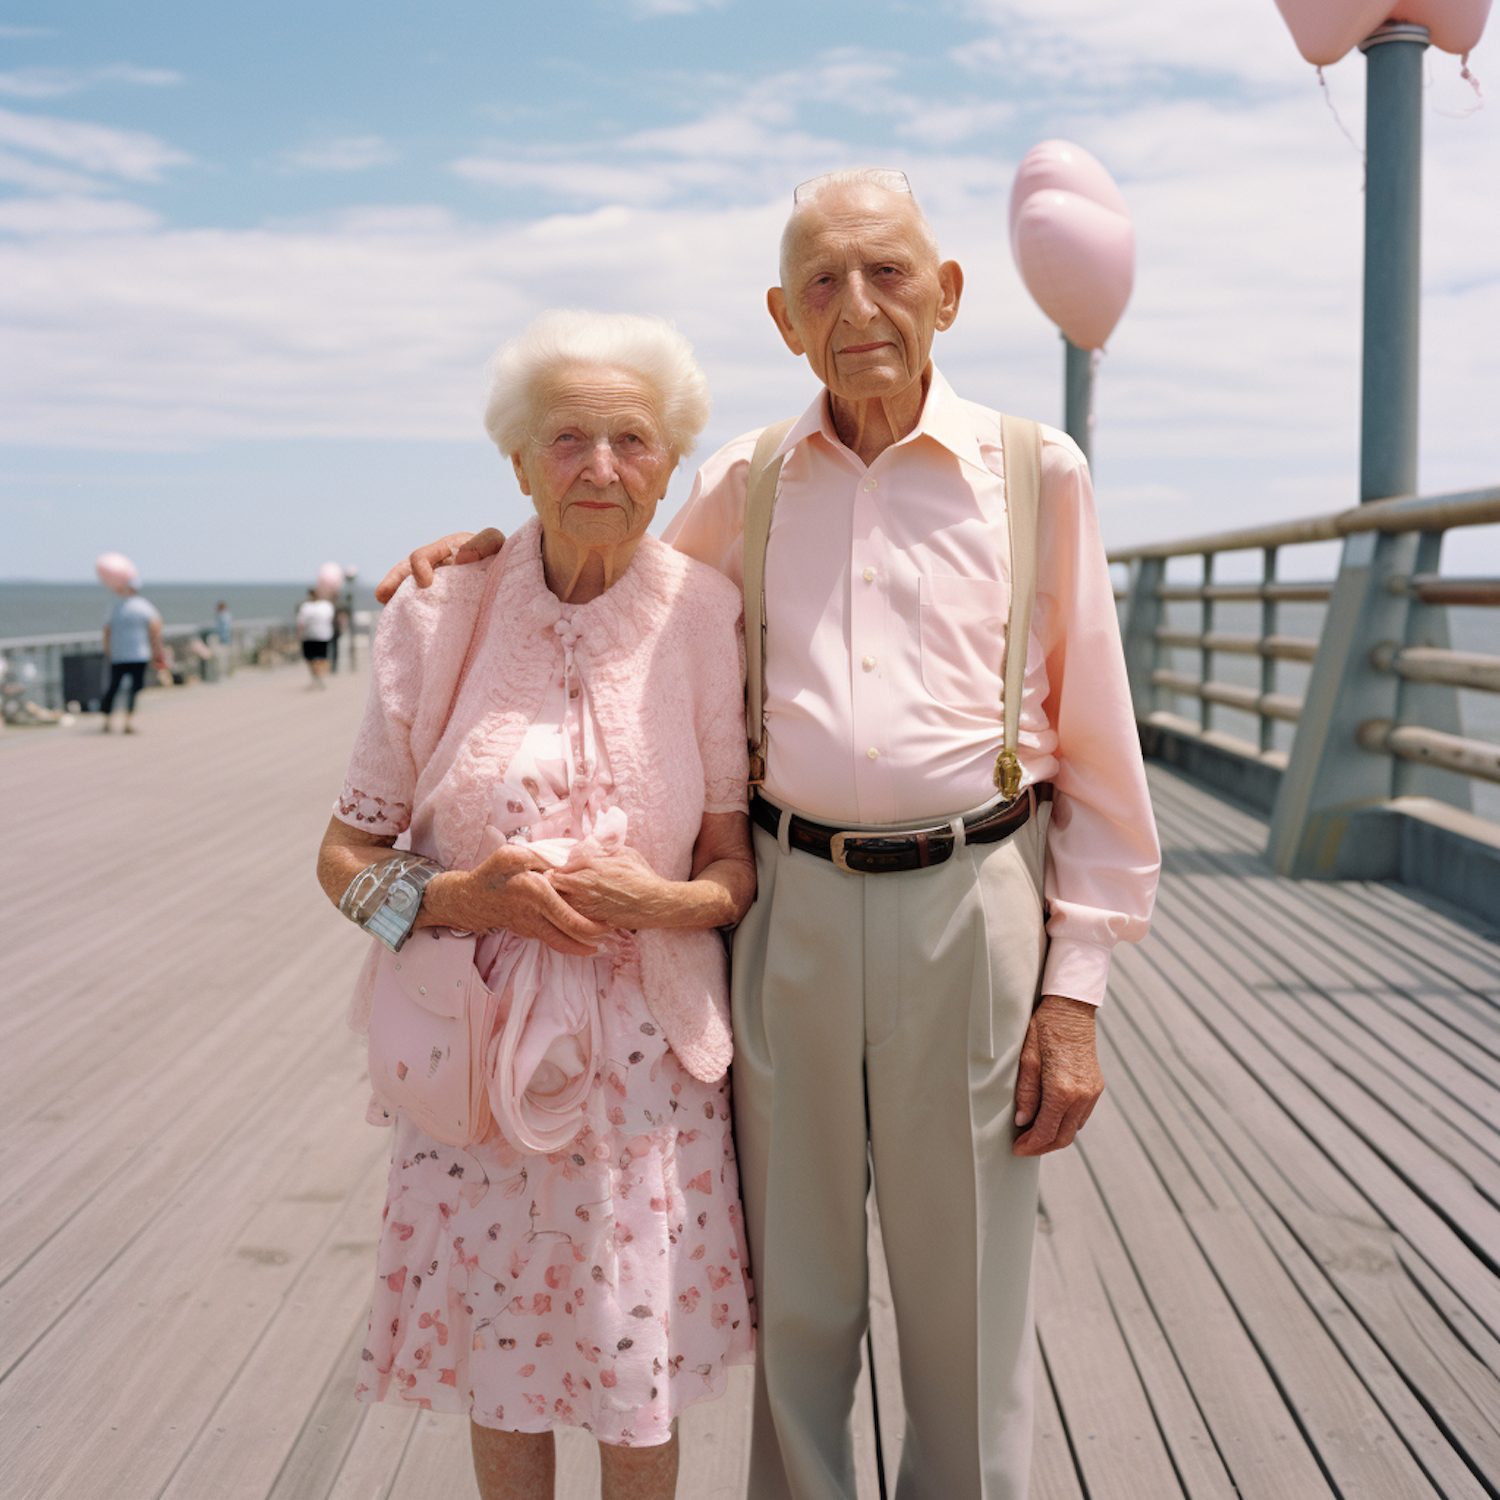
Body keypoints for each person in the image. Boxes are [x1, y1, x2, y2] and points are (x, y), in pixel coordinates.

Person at [381, 170, 1161, 1500]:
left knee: (968, 1290)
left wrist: (1074, 994)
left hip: (974, 899)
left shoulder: (1038, 472)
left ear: (949, 294)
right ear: (784, 318)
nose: (857, 307)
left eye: (888, 274)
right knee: (797, 1292)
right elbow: (606, 555)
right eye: (821, 285)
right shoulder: (744, 480)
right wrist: (483, 553)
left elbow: (1099, 747)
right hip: (783, 901)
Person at [316, 311, 757, 1500]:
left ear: (671, 463)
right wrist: (465, 898)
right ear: (517, 462)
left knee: (632, 1369)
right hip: (477, 1075)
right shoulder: (436, 611)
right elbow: (342, 858)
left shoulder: (706, 615)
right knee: (504, 1371)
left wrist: (657, 901)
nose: (601, 469)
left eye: (632, 440)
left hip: (648, 1083)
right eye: (567, 440)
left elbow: (734, 872)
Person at [100, 568, 165, 733]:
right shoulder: (143, 606)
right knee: (132, 689)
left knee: (115, 687)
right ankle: (125, 722)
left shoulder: (115, 606)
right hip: (137, 654)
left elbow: (106, 630)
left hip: (122, 654)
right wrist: (157, 650)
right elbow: (156, 629)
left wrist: (108, 652)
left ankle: (110, 721)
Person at [296, 588, 336, 686]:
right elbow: (330, 619)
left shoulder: (306, 607)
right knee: (320, 657)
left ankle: (317, 676)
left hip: (310, 636)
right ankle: (319, 676)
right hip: (323, 635)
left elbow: (301, 623)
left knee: (312, 658)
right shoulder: (327, 606)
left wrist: (299, 634)